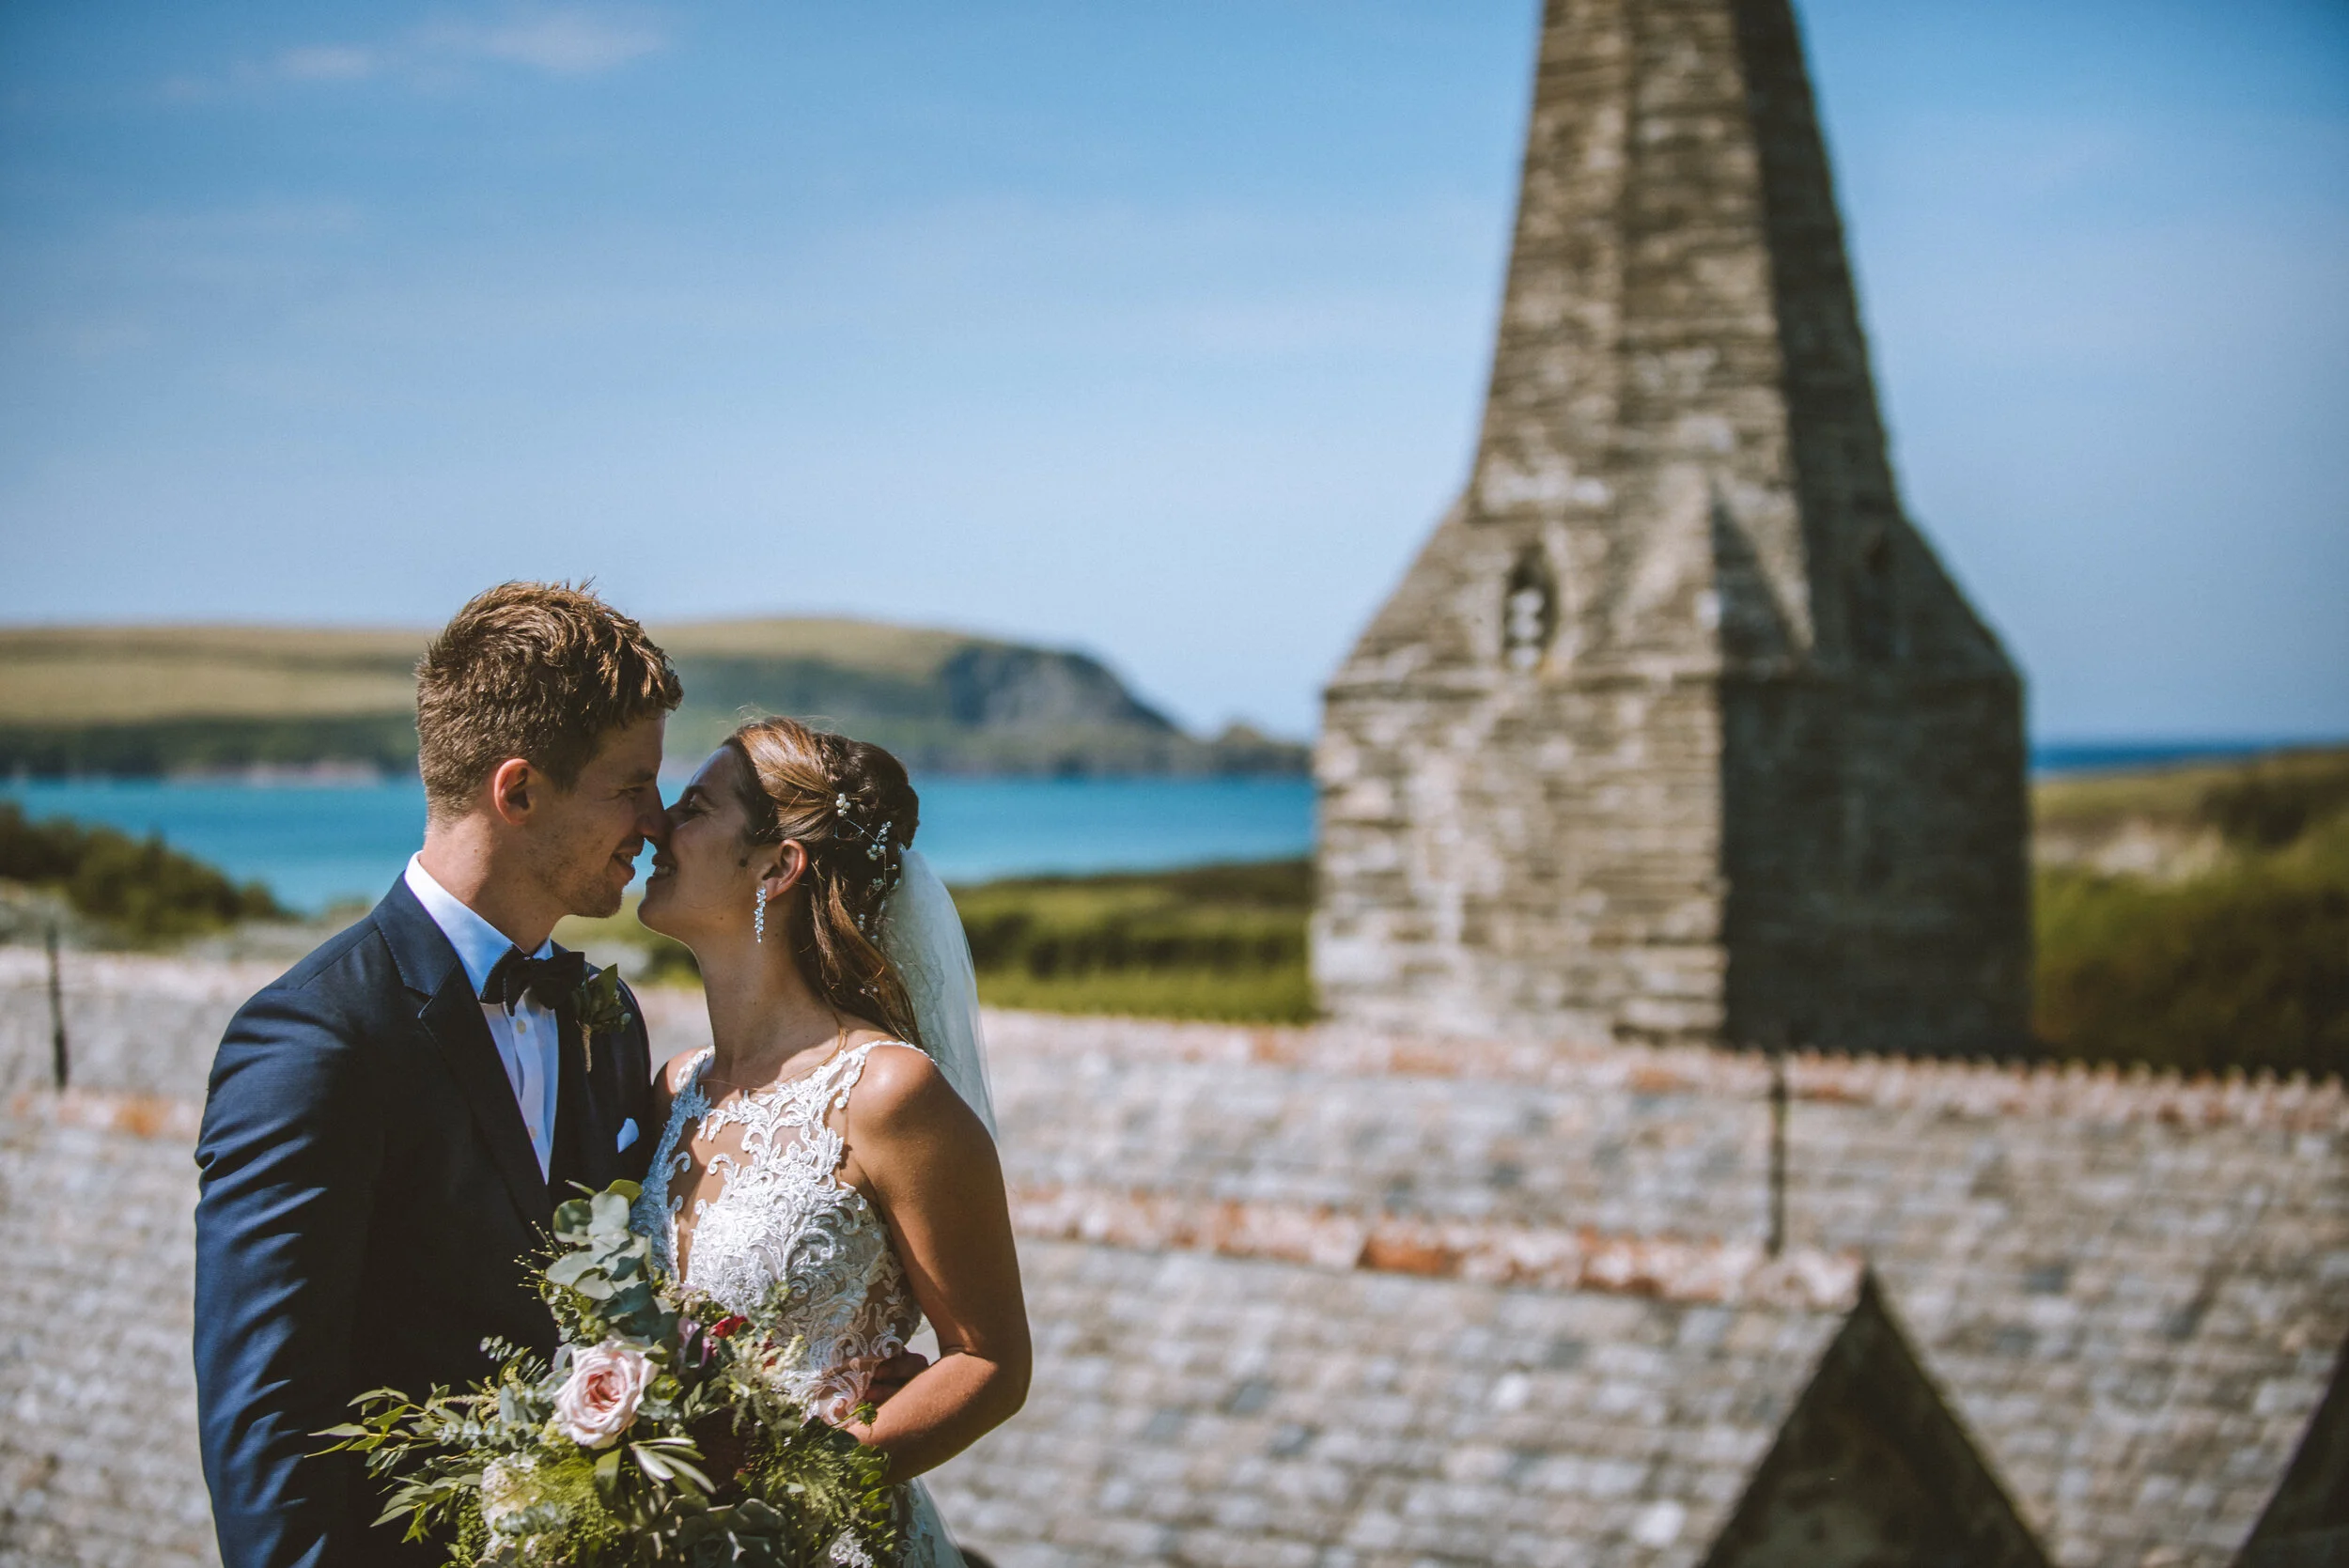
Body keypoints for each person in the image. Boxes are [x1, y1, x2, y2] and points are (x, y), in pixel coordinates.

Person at [194, 582, 677, 1567]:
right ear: (519, 790)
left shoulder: (607, 1019)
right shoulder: (315, 1041)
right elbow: (267, 1432)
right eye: (631, 785)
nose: (657, 822)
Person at [632, 714, 1029, 1568]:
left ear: (777, 865)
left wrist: (792, 1483)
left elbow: (991, 1359)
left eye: (695, 807)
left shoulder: (886, 1093)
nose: (660, 823)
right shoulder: (672, 1089)